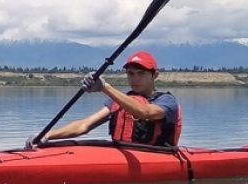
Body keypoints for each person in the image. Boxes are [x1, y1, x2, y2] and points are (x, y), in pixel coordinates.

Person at [34, 50, 182, 147]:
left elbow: (143, 112)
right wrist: (47, 136)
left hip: (156, 157)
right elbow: (84, 125)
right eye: (130, 74)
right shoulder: (117, 102)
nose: (135, 79)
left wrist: (104, 87)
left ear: (154, 75)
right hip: (120, 154)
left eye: (141, 74)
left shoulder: (167, 102)